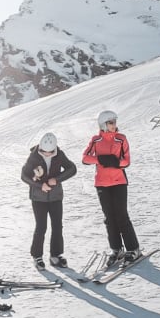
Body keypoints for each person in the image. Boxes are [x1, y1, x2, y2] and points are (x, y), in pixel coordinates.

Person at [82, 109, 140, 266]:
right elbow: (85, 158)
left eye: (115, 122)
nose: (115, 125)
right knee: (109, 218)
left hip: (119, 181)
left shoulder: (121, 139)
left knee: (121, 215)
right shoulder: (96, 140)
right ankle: (116, 249)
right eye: (111, 122)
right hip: (101, 183)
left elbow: (126, 161)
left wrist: (114, 162)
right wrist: (101, 159)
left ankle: (133, 249)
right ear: (103, 125)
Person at [21, 132, 77, 269]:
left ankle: (55, 255)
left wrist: (56, 179)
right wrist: (41, 186)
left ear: (55, 149)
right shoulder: (34, 156)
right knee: (41, 226)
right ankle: (37, 256)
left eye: (50, 152)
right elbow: (24, 175)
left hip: (56, 197)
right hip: (38, 198)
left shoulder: (59, 154)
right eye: (43, 152)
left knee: (57, 225)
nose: (46, 154)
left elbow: (72, 168)